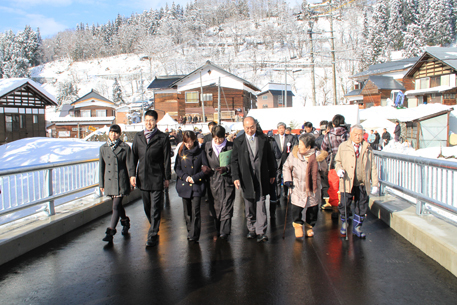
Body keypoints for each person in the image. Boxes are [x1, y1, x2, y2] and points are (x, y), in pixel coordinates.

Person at [231, 117, 276, 242]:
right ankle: (251, 229)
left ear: (255, 126)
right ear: (243, 127)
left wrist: (272, 173)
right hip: (246, 177)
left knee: (261, 202)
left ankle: (261, 231)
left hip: (261, 176)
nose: (250, 130)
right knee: (249, 204)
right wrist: (235, 177)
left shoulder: (263, 139)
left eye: (252, 127)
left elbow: (270, 157)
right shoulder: (238, 141)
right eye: (247, 128)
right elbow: (233, 161)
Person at [131, 110, 171, 247]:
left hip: (157, 177)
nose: (149, 123)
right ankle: (153, 225)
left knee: (155, 208)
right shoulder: (138, 137)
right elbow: (133, 157)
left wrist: (167, 177)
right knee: (147, 207)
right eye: (147, 120)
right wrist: (132, 174)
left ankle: (153, 233)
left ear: (156, 121)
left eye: (152, 120)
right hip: (142, 177)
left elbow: (166, 159)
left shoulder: (162, 138)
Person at [335, 124, 378, 238]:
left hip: (362, 182)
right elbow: (337, 161)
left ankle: (357, 227)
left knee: (362, 205)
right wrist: (339, 169)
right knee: (344, 204)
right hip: (347, 181)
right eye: (356, 134)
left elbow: (373, 166)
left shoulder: (367, 147)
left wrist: (375, 184)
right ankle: (345, 222)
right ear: (351, 134)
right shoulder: (343, 146)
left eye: (360, 134)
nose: (358, 137)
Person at [283, 133, 328, 238]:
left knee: (313, 210)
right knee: (296, 209)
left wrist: (317, 171)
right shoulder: (294, 155)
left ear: (308, 147)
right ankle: (298, 225)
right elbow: (286, 167)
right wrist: (288, 180)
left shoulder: (318, 157)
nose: (298, 146)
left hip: (313, 189)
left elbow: (324, 170)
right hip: (297, 187)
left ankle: (309, 226)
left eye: (301, 144)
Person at [99, 124, 135, 243]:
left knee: (115, 206)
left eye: (116, 133)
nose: (113, 134)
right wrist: (101, 184)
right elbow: (101, 167)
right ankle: (125, 221)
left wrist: (131, 179)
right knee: (118, 206)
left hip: (121, 180)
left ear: (119, 134)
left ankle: (110, 232)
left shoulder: (125, 147)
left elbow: (130, 165)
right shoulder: (103, 148)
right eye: (111, 132)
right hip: (109, 181)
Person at [175, 131, 210, 243]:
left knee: (196, 210)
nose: (188, 144)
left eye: (190, 142)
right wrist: (185, 177)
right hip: (184, 184)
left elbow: (205, 168)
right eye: (186, 142)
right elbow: (177, 168)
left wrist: (194, 178)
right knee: (187, 211)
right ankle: (190, 231)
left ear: (194, 140)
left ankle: (194, 235)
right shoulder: (181, 152)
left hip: (197, 184)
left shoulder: (200, 152)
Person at [204, 125, 235, 240]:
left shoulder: (231, 146)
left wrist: (227, 168)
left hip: (227, 180)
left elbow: (236, 163)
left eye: (220, 138)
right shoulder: (207, 146)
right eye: (215, 138)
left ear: (224, 136)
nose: (217, 141)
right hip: (212, 181)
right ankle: (217, 228)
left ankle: (225, 231)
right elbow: (202, 160)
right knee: (215, 206)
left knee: (227, 205)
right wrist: (204, 167)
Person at [320, 114, 349, 218]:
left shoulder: (328, 135)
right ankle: (346, 209)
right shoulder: (347, 134)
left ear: (333, 123)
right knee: (346, 186)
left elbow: (323, 148)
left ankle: (335, 209)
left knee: (333, 186)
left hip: (332, 162)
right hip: (346, 162)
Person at [273, 122, 298, 205]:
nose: (281, 130)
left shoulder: (290, 137)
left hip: (287, 160)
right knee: (277, 178)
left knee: (287, 177)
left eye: (283, 128)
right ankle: (278, 194)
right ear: (277, 129)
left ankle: (285, 194)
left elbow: (294, 148)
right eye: (280, 128)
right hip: (277, 160)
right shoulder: (274, 138)